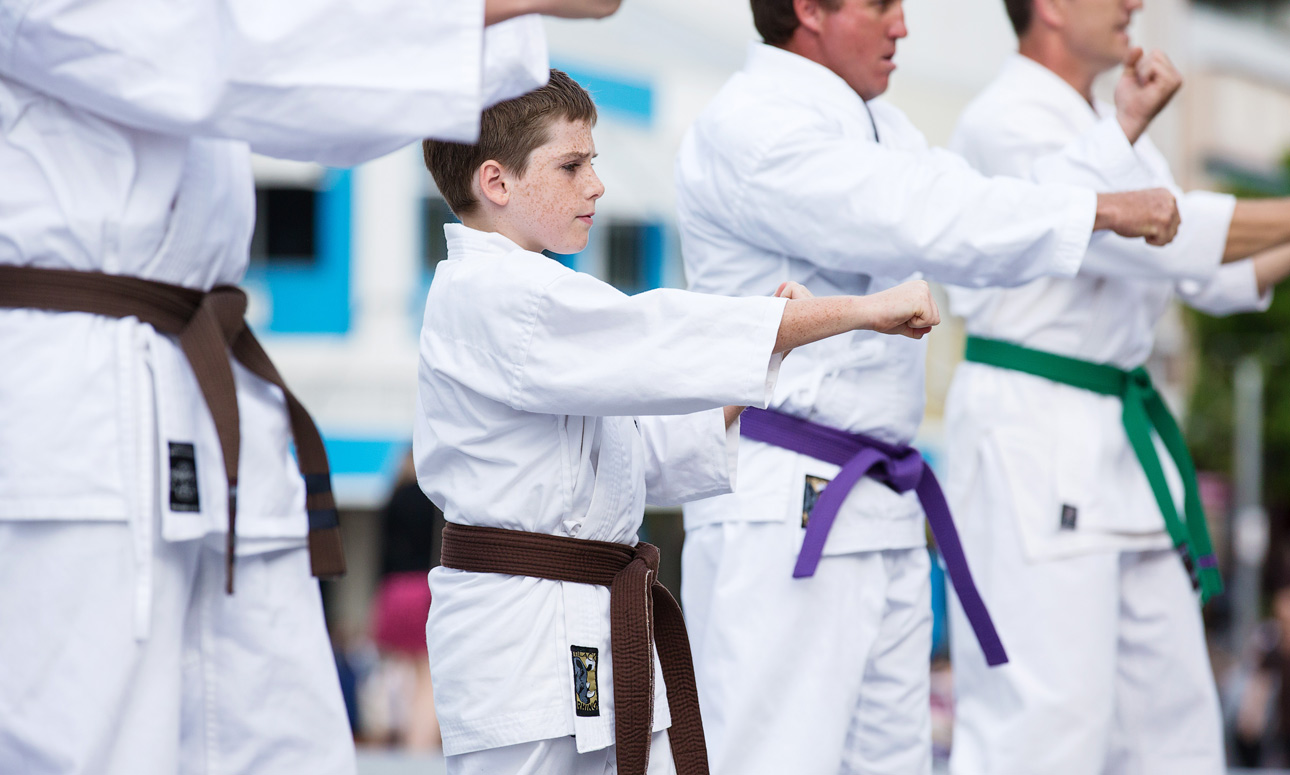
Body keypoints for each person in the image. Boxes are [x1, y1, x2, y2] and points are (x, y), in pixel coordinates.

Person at [0, 1, 622, 773]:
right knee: (90, 740)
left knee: (286, 742)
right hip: (81, 393)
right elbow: (229, 52)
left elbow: (350, 104)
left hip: (207, 384)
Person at [672, 0, 1193, 772]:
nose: (902, 26)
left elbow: (981, 201)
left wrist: (1117, 138)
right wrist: (1105, 207)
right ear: (809, 10)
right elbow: (927, 217)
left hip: (882, 496)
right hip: (787, 499)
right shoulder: (752, 125)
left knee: (897, 762)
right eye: (880, 4)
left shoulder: (883, 128)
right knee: (774, 756)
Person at [415, 69, 943, 775]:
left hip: (584, 626)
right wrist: (856, 311)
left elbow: (634, 457)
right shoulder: (494, 292)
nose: (596, 185)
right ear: (497, 182)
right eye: (572, 166)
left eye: (594, 163)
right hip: (521, 641)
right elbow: (657, 334)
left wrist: (772, 347)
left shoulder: (541, 299)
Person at [941, 1, 1290, 773]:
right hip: (1034, 432)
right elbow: (1169, 238)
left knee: (1176, 728)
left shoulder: (1106, 119)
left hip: (1124, 444)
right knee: (1044, 729)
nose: (1134, 3)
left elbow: (1209, 274)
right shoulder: (1004, 120)